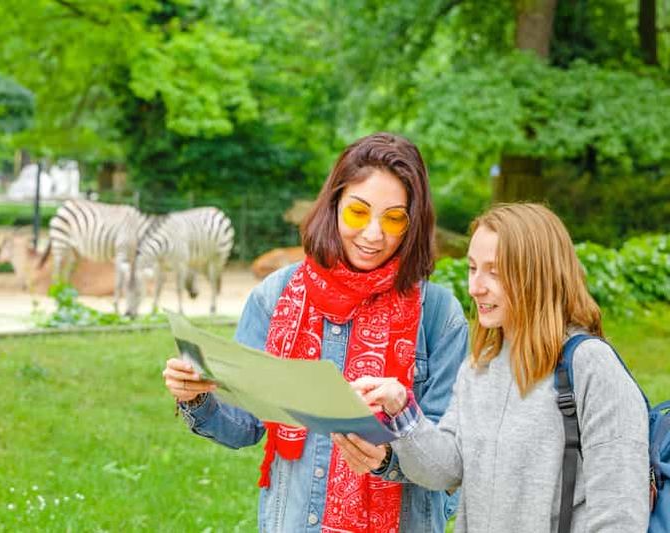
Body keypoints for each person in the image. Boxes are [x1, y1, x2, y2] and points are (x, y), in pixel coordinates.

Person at [162, 132, 468, 532]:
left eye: (394, 218)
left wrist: (386, 457)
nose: (374, 234)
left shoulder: (439, 315)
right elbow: (245, 426)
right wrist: (198, 396)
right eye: (359, 213)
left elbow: (448, 464)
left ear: (413, 224)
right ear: (334, 204)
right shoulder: (275, 296)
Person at [334, 203, 650, 532]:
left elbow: (620, 513)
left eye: (494, 272)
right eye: (473, 268)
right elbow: (447, 469)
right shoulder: (480, 366)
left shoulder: (590, 366)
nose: (475, 287)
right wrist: (402, 408)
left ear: (537, 274)